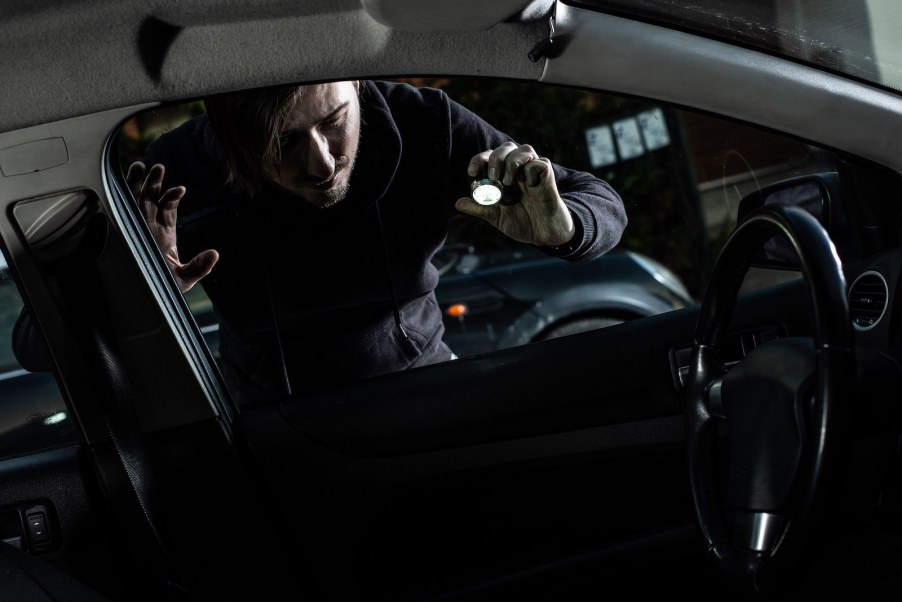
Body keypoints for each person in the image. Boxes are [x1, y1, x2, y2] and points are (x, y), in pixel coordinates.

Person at [43, 79, 626, 403]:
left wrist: (566, 227)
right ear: (230, 138)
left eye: (333, 122)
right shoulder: (174, 172)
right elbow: (38, 342)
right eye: (285, 141)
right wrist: (133, 289)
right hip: (268, 416)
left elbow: (601, 202)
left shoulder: (425, 122)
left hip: (423, 384)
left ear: (355, 88)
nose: (320, 162)